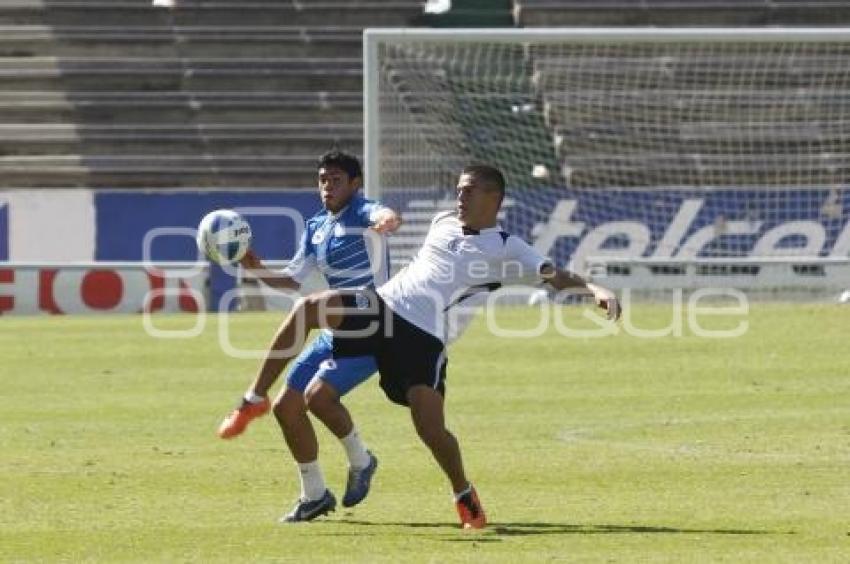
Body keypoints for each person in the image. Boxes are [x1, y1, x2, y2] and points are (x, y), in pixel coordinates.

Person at [223, 164, 620, 529]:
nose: (460, 197)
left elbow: (555, 275)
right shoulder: (443, 221)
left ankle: (463, 493)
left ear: (494, 197)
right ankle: (254, 398)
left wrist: (595, 290)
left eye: (469, 190)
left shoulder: (507, 248)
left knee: (430, 428)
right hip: (382, 307)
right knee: (309, 309)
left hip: (424, 338)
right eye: (459, 189)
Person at [217, 150, 402, 522]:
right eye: (322, 180)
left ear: (355, 184)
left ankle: (252, 398)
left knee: (306, 309)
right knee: (289, 407)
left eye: (336, 180)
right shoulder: (316, 226)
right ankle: (316, 493)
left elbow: (382, 213)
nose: (327, 187)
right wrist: (256, 269)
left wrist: (387, 219)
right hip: (340, 325)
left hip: (376, 317)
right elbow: (292, 279)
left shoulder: (361, 211)